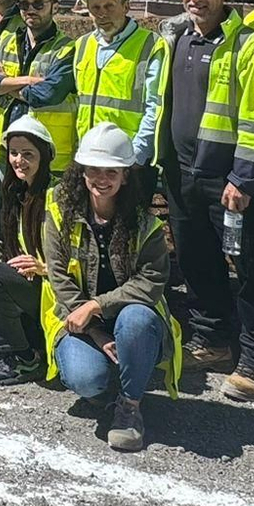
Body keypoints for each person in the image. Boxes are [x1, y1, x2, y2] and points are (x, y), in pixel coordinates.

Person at [159, 0, 254, 392]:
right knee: (197, 262)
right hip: (181, 175)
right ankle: (211, 340)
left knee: (251, 267)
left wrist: (245, 179)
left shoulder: (251, 44)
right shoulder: (175, 39)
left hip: (228, 181)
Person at [40, 123, 184, 452]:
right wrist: (95, 330)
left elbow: (149, 283)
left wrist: (96, 305)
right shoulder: (59, 215)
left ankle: (130, 407)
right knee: (85, 379)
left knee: (136, 319)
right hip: (79, 323)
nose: (102, 179)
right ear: (82, 172)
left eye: (111, 172)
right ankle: (111, 386)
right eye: (94, 170)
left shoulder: (146, 225)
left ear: (125, 176)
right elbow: (58, 277)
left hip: (128, 319)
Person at [0, 0, 76, 262]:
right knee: (11, 207)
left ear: (54, 4)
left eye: (38, 4)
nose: (30, 11)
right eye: (24, 4)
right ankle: (12, 261)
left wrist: (7, 84)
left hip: (47, 150)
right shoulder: (5, 42)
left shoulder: (67, 48)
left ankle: (46, 270)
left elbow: (49, 95)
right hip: (9, 145)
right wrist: (27, 81)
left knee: (46, 214)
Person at [0, 114, 55, 384]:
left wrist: (45, 268)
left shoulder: (56, 195)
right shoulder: (15, 192)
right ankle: (36, 342)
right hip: (30, 285)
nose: (19, 160)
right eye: (14, 153)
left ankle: (24, 360)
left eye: (28, 154)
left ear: (44, 156)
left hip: (53, 288)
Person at [72, 0, 167, 167]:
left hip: (127, 159)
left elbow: (154, 107)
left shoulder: (150, 45)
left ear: (126, 6)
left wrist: (137, 155)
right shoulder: (81, 45)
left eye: (109, 5)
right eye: (95, 7)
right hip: (88, 153)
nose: (102, 13)